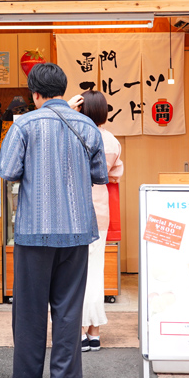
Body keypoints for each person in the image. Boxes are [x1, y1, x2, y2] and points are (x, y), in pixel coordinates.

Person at [0, 63, 108, 378]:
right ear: (62, 89)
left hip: (34, 230)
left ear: (35, 93)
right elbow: (100, 174)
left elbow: (7, 171)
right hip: (77, 230)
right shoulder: (87, 126)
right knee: (68, 306)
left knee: (30, 307)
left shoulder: (25, 125)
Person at [70, 91, 123, 353]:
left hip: (73, 212)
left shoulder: (74, 135)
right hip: (100, 211)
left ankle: (78, 330)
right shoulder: (112, 141)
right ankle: (95, 332)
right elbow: (115, 175)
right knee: (96, 270)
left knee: (74, 273)